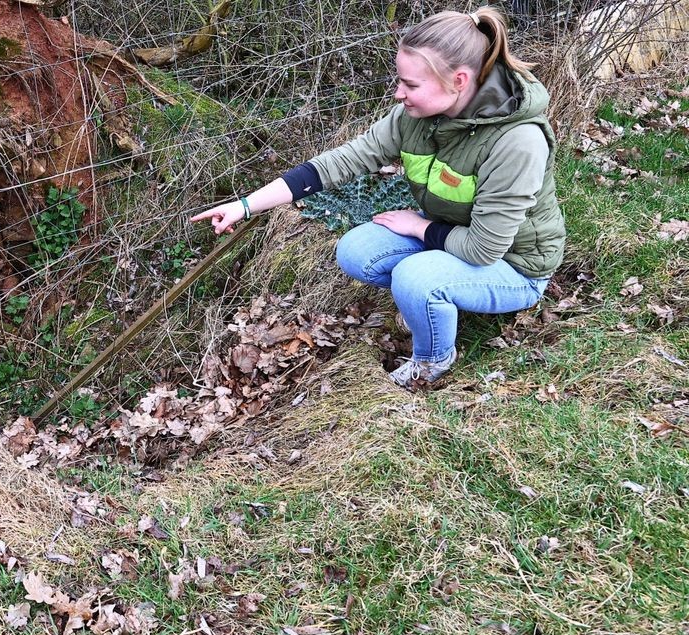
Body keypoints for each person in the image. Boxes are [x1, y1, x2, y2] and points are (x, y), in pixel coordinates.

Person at [191, 7, 564, 389]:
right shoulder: (417, 116)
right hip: (454, 234)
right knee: (356, 250)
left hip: (514, 265)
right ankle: (432, 300)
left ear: (459, 80)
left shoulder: (517, 142)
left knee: (414, 278)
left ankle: (432, 360)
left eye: (411, 85)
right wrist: (245, 205)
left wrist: (420, 228)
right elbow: (340, 162)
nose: (399, 93)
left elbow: (484, 251)